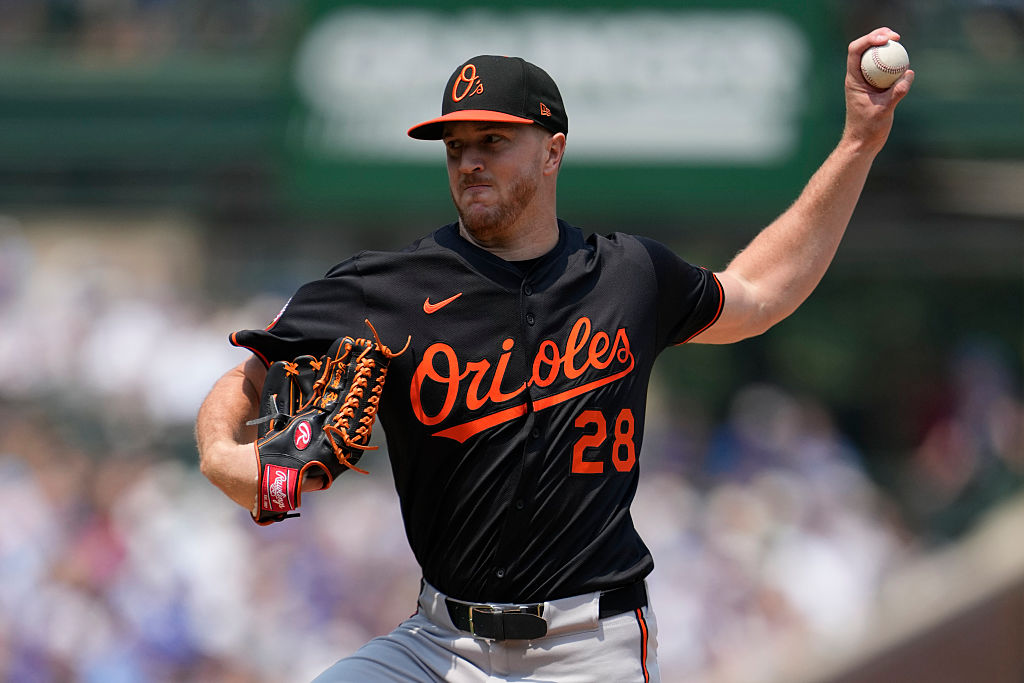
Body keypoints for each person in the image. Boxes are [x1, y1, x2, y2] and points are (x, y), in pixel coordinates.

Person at [196, 28, 913, 682]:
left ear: (552, 150)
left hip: (591, 648)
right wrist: (226, 458)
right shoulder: (382, 289)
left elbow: (760, 291)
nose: (470, 162)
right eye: (455, 147)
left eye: (492, 140)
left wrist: (858, 143)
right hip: (438, 646)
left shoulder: (630, 276)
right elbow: (249, 372)